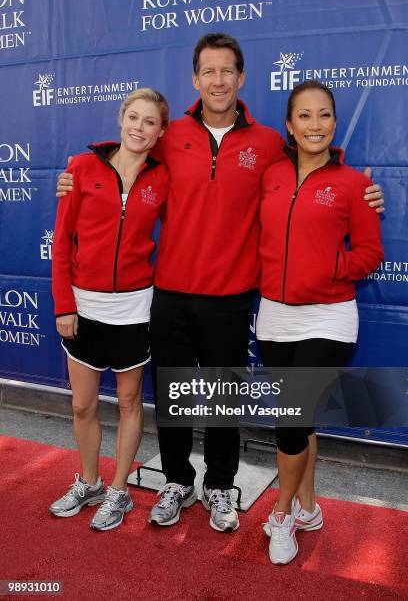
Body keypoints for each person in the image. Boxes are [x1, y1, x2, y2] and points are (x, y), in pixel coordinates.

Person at [56, 34, 385, 534]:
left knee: (223, 395)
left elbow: (308, 169)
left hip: (232, 296)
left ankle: (221, 484)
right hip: (168, 292)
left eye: (227, 71)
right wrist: (77, 176)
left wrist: (363, 190)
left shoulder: (268, 143)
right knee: (175, 394)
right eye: (208, 71)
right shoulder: (171, 135)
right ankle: (176, 480)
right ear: (195, 79)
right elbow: (128, 157)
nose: (217, 80)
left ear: (242, 78)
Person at [257, 80, 384, 564]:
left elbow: (371, 253)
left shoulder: (354, 183)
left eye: (324, 115)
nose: (315, 125)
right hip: (273, 317)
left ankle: (283, 512)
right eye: (304, 116)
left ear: (334, 122)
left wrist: (330, 268)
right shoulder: (268, 176)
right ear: (289, 126)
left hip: (329, 316)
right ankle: (310, 507)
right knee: (300, 419)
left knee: (290, 419)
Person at [49, 88, 169, 531]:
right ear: (121, 119)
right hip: (84, 306)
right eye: (133, 117)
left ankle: (119, 490)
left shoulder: (164, 177)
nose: (139, 127)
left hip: (135, 308)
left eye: (150, 122)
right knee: (82, 406)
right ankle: (90, 481)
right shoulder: (80, 169)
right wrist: (65, 303)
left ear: (159, 133)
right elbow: (62, 244)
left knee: (128, 400)